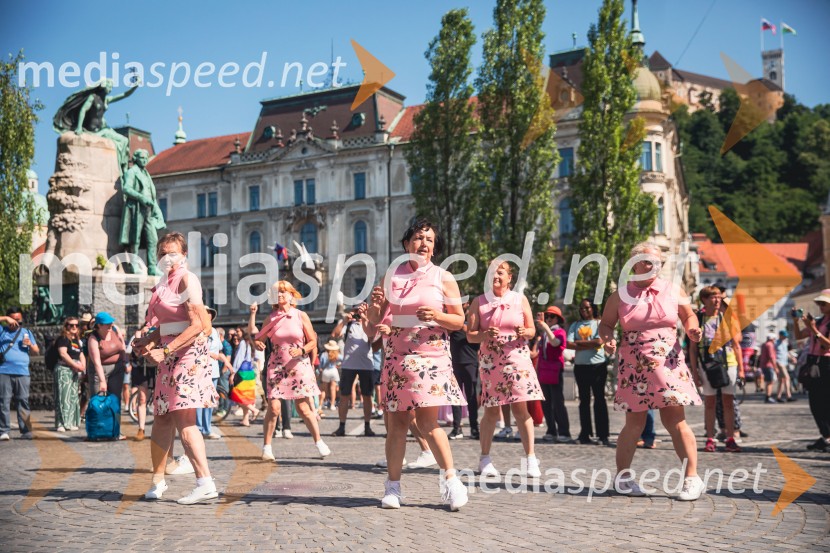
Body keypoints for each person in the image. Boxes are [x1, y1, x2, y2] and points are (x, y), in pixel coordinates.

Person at [367, 218, 468, 510]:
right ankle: (393, 488)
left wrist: (436, 316)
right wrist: (375, 307)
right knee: (398, 422)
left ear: (434, 248)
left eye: (429, 240)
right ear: (406, 243)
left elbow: (458, 320)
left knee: (427, 421)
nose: (423, 243)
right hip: (398, 356)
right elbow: (375, 322)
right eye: (418, 238)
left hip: (431, 355)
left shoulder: (443, 276)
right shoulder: (392, 275)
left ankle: (451, 481)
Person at [599, 242, 705, 500]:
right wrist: (607, 338)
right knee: (634, 424)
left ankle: (692, 478)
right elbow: (605, 324)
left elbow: (688, 316)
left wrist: (692, 329)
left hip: (667, 360)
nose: (652, 266)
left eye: (657, 262)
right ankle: (623, 477)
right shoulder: (620, 295)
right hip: (634, 363)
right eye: (647, 261)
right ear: (633, 263)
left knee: (674, 420)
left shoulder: (672, 290)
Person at [134, 232, 219, 504]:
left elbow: (197, 324)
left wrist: (166, 349)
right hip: (169, 354)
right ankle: (158, 481)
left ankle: (205, 482)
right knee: (161, 417)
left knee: (184, 419)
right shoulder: (163, 282)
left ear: (184, 255)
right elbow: (166, 323)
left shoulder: (187, 279)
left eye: (172, 253)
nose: (166, 257)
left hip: (188, 354)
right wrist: (148, 339)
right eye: (161, 253)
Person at [467, 260, 544, 479]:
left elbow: (531, 330)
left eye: (500, 272)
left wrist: (525, 331)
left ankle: (530, 459)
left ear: (510, 277)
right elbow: (470, 335)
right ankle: (485, 458)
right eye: (492, 272)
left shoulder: (520, 300)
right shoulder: (479, 302)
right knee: (492, 410)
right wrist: (484, 335)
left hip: (517, 358)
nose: (496, 276)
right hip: (491, 362)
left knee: (521, 409)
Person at [252, 282, 330, 462]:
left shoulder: (300, 315)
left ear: (291, 295)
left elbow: (312, 341)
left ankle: (319, 442)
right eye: (276, 293)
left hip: (298, 365)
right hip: (277, 365)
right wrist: (258, 343)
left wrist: (302, 351)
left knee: (303, 408)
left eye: (283, 292)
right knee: (274, 408)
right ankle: (267, 447)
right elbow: (258, 339)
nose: (279, 295)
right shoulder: (270, 318)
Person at [688, 286, 744, 453]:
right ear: (704, 299)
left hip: (729, 363)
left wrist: (742, 369)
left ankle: (730, 437)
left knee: (728, 402)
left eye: (719, 297)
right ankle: (710, 438)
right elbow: (692, 348)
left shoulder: (727, 318)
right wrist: (695, 372)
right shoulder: (698, 318)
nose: (718, 300)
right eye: (713, 297)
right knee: (710, 402)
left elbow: (736, 345)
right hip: (707, 365)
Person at [52, 78, 138, 176]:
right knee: (120, 142)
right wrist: (79, 127)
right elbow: (83, 110)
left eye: (112, 87)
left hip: (104, 129)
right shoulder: (93, 97)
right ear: (103, 86)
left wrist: (135, 86)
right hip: (93, 131)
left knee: (124, 141)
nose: (111, 89)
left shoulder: (106, 99)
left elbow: (125, 94)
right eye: (109, 86)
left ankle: (123, 168)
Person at [567, 299, 610, 446]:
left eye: (587, 308)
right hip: (581, 366)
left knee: (599, 399)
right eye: (581, 308)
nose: (584, 310)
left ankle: (603, 435)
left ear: (593, 308)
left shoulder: (599, 324)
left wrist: (579, 343)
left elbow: (599, 342)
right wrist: (589, 344)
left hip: (598, 365)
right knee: (583, 401)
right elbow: (568, 344)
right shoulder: (575, 325)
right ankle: (585, 433)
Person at [792, 291, 830, 451]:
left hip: (827, 363)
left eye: (823, 304)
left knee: (826, 402)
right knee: (815, 403)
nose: (820, 306)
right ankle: (826, 436)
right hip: (813, 362)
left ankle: (827, 437)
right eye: (819, 304)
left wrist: (814, 329)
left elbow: (828, 344)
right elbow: (799, 335)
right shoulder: (819, 320)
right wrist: (795, 321)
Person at [331, 304, 377, 437]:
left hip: (366, 365)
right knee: (344, 396)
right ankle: (341, 426)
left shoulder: (369, 322)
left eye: (360, 310)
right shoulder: (347, 323)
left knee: (367, 396)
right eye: (356, 310)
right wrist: (344, 321)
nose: (357, 313)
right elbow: (334, 335)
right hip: (348, 365)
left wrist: (364, 319)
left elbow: (372, 337)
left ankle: (367, 426)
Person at [119, 149, 166, 275]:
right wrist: (141, 197)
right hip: (136, 209)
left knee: (153, 238)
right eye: (141, 157)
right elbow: (126, 189)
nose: (144, 160)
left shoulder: (146, 173)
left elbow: (152, 195)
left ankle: (152, 267)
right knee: (135, 238)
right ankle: (133, 263)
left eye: (146, 158)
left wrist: (158, 212)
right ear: (135, 158)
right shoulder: (131, 172)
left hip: (148, 210)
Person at [87, 311, 128, 440]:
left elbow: (122, 346)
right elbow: (97, 362)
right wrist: (102, 381)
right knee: (97, 402)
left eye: (111, 323)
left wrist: (125, 362)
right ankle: (96, 432)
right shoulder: (93, 338)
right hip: (99, 371)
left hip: (117, 369)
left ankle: (115, 432)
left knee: (115, 401)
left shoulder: (114, 329)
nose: (110, 325)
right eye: (107, 324)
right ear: (99, 325)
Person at [0, 308, 39, 440]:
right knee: (3, 401)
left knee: (23, 400)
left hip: (22, 371)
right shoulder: (2, 331)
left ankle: (26, 429)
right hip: (4, 370)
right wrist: (5, 319)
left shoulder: (26, 332)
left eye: (19, 321)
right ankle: (4, 430)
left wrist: (31, 346)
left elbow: (36, 351)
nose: (16, 323)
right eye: (13, 320)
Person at [536, 306, 573, 443]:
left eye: (552, 316)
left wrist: (544, 326)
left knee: (558, 402)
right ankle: (551, 430)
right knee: (546, 402)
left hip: (555, 370)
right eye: (547, 316)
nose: (549, 319)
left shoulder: (560, 332)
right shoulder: (546, 333)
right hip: (544, 370)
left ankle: (564, 431)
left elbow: (555, 343)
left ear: (557, 319)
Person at [449, 301, 480, 440]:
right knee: (455, 397)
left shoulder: (473, 321)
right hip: (454, 363)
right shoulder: (451, 321)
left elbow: (476, 336)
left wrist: (462, 326)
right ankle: (457, 428)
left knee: (472, 397)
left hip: (470, 363)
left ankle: (474, 428)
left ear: (466, 305)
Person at [53, 316, 85, 432]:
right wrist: (76, 365)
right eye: (71, 325)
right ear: (66, 326)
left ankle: (71, 422)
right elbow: (63, 354)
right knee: (63, 397)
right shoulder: (63, 338)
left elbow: (80, 354)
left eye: (76, 325)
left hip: (74, 371)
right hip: (64, 369)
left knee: (73, 397)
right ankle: (61, 423)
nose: (74, 327)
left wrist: (83, 366)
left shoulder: (76, 340)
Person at [195, 308, 222, 440]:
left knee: (210, 401)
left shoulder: (215, 332)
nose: (208, 314)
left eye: (210, 313)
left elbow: (219, 348)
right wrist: (210, 354)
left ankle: (207, 428)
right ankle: (199, 428)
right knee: (200, 400)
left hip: (214, 370)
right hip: (200, 370)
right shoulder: (196, 331)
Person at [127, 328, 154, 441]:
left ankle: (157, 429)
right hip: (141, 368)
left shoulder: (160, 329)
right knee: (142, 399)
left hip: (156, 368)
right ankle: (141, 429)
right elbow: (134, 351)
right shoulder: (141, 332)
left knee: (158, 399)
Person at [319, 340, 341, 411]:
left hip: (326, 371)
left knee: (323, 389)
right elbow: (344, 359)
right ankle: (332, 405)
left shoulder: (324, 354)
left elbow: (320, 366)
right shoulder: (337, 354)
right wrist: (339, 365)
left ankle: (322, 404)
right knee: (333, 389)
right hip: (334, 371)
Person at [775, 330, 795, 402]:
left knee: (782, 380)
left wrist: (792, 358)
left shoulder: (785, 343)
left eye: (785, 336)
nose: (785, 337)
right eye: (784, 336)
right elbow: (774, 354)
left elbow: (786, 353)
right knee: (787, 378)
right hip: (779, 362)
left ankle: (778, 397)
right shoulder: (776, 343)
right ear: (780, 335)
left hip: (784, 362)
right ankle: (788, 396)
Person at [758, 335, 778, 403]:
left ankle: (767, 396)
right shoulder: (770, 345)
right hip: (769, 365)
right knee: (770, 382)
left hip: (764, 365)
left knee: (767, 381)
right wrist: (775, 367)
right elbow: (771, 356)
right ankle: (768, 397)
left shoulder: (764, 344)